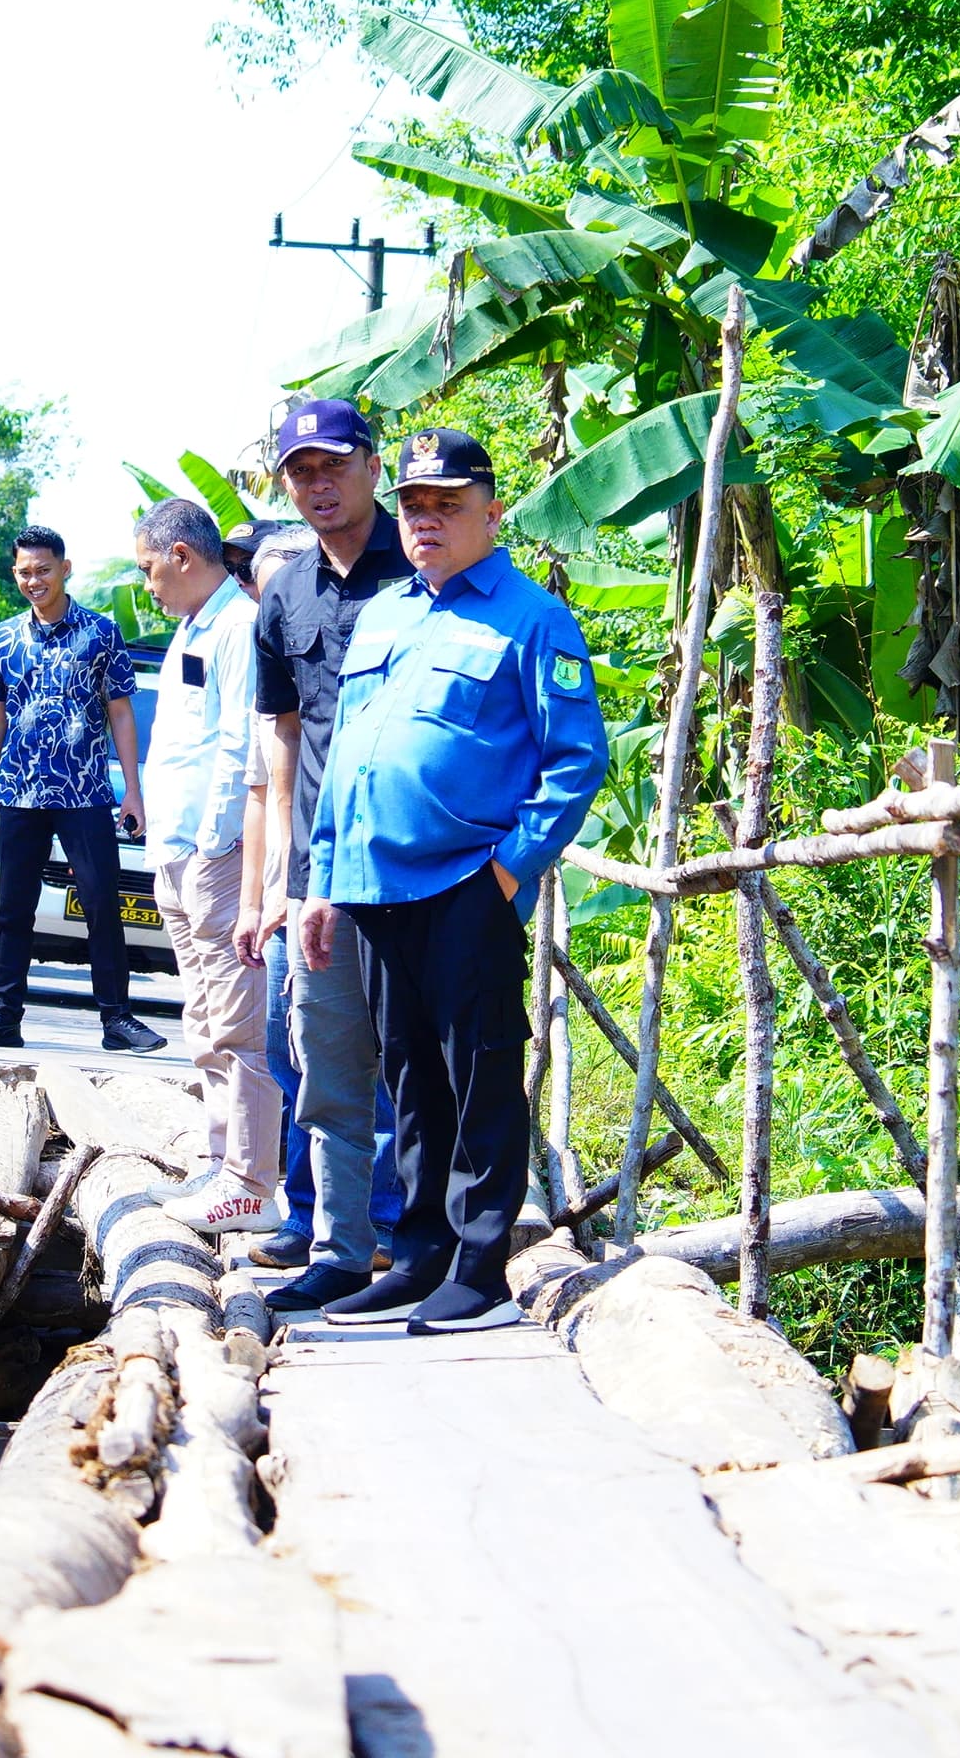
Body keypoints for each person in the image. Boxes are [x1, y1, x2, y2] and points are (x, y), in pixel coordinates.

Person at [297, 427, 608, 1333]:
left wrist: (508, 874)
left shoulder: (532, 617)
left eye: (447, 504)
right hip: (373, 881)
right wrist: (323, 879)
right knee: (410, 1079)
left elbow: (574, 761)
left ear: (489, 512)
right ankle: (422, 1253)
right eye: (414, 505)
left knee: (478, 1073)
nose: (426, 522)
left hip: (469, 882)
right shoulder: (388, 613)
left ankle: (482, 1267)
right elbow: (348, 757)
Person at [236, 402, 418, 1310]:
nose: (318, 484)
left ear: (372, 469)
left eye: (332, 466)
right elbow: (282, 740)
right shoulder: (286, 595)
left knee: (412, 1056)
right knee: (315, 1054)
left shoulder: (422, 574)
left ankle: (408, 1237)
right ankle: (334, 1236)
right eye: (300, 472)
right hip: (319, 869)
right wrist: (275, 879)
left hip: (417, 860)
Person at [127, 497, 278, 1233]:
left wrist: (216, 845)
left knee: (238, 1024)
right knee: (202, 1018)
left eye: (150, 568)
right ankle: (222, 1165)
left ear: (182, 555)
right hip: (178, 850)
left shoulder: (240, 627)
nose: (148, 585)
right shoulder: (195, 624)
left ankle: (252, 1183)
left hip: (213, 854)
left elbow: (239, 749)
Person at [0, 526, 164, 1053]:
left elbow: (121, 712)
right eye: (25, 572)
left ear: (65, 569)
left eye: (43, 570)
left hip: (85, 793)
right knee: (13, 907)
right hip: (19, 792)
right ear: (15, 574)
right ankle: (4, 1015)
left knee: (101, 903)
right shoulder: (3, 638)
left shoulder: (101, 633)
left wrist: (132, 791)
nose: (34, 581)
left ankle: (118, 1019)